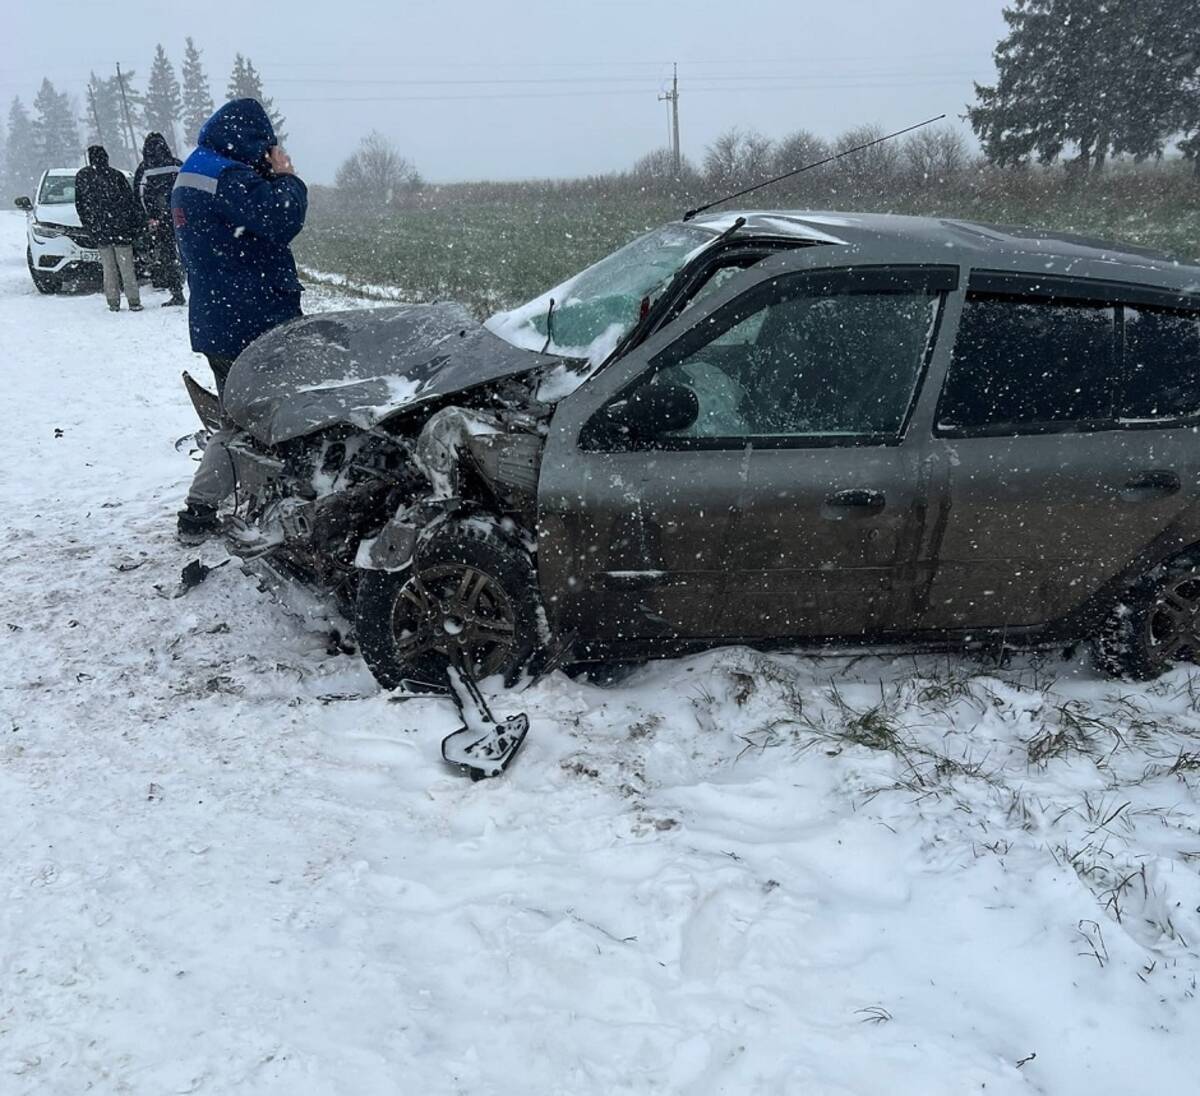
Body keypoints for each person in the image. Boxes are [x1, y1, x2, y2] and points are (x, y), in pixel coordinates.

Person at [171, 98, 307, 543]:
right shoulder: (228, 176)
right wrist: (287, 177)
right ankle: (203, 512)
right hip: (252, 318)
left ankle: (220, 505)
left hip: (219, 317)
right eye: (267, 145)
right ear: (252, 139)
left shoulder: (196, 170)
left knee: (242, 417)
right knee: (256, 420)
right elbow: (281, 219)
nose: (271, 152)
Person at [75, 145, 143, 312]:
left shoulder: (83, 177)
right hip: (121, 229)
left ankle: (113, 301)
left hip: (100, 230)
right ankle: (133, 300)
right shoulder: (116, 175)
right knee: (127, 267)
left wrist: (89, 226)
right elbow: (130, 202)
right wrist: (134, 225)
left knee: (108, 268)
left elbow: (80, 204)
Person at [133, 132, 185, 306]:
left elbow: (139, 196)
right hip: (180, 215)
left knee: (168, 255)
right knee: (188, 252)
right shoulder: (177, 164)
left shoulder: (144, 169)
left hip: (160, 220)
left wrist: (150, 217)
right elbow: (187, 187)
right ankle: (197, 287)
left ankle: (176, 291)